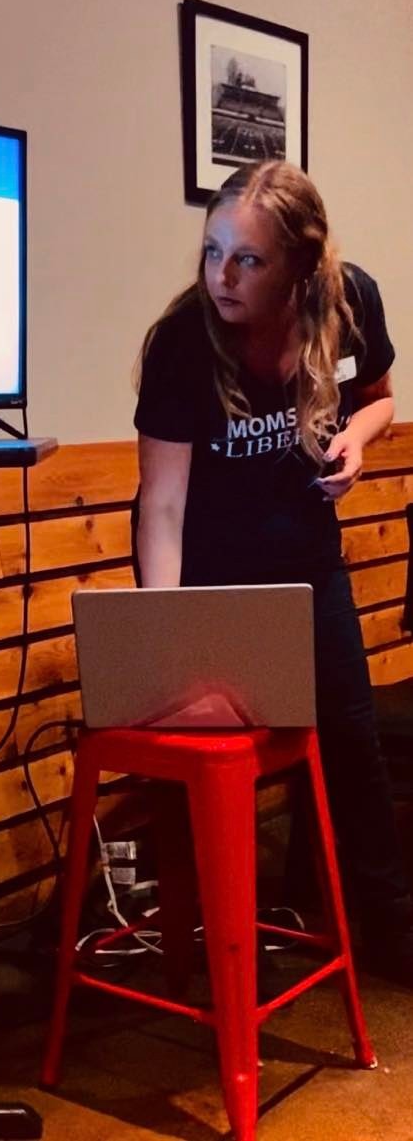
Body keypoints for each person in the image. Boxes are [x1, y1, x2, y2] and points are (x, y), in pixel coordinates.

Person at [131, 159, 413, 982]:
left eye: (247, 259)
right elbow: (161, 506)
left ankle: (389, 931)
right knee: (203, 757)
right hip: (207, 569)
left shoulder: (348, 298)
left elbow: (380, 398)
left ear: (299, 263)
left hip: (304, 561)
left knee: (350, 743)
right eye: (212, 250)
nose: (221, 275)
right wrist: (163, 632)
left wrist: (355, 439)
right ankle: (199, 942)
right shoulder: (181, 341)